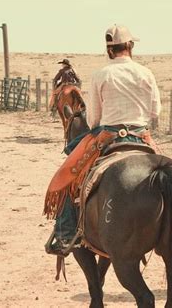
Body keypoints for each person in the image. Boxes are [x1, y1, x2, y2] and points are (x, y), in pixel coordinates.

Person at [46, 25, 161, 255]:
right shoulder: (146, 73)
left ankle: (66, 232)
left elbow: (93, 118)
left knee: (69, 176)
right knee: (166, 171)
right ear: (130, 46)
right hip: (141, 136)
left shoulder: (101, 74)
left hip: (107, 136)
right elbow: (155, 111)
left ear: (109, 50)